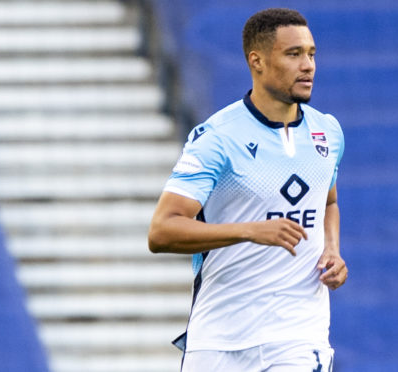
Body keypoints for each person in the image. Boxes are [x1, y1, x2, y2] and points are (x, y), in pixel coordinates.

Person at [148, 7, 347, 372]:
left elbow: (328, 200)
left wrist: (332, 250)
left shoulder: (327, 132)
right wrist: (249, 230)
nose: (308, 66)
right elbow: (162, 230)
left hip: (297, 337)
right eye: (293, 54)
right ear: (257, 61)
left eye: (311, 54)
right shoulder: (217, 138)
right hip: (218, 339)